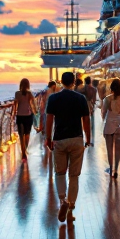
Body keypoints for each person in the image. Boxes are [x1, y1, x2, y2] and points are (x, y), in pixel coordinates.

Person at [45, 71, 91, 223]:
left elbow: (49, 120)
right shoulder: (80, 98)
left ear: (61, 82)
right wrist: (88, 138)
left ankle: (62, 200)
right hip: (76, 139)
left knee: (60, 173)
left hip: (59, 140)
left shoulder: (53, 98)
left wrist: (48, 139)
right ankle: (71, 206)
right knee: (74, 175)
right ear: (73, 82)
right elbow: (86, 120)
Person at [101, 78, 120, 179]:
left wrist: (105, 120)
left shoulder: (107, 99)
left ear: (111, 88)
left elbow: (103, 113)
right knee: (118, 149)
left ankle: (111, 167)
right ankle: (116, 169)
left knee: (109, 149)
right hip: (119, 125)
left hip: (109, 125)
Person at [12, 78, 37, 161]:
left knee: (21, 135)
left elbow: (15, 104)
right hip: (28, 115)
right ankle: (25, 150)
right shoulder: (29, 94)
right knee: (27, 134)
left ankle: (23, 152)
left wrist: (14, 113)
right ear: (28, 85)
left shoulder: (17, 93)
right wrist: (35, 111)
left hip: (19, 115)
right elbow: (32, 104)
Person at [82, 77, 98, 142]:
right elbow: (94, 99)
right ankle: (91, 134)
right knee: (91, 119)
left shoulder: (83, 88)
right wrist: (93, 106)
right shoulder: (94, 89)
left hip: (84, 103)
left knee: (84, 119)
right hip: (90, 104)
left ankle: (86, 133)